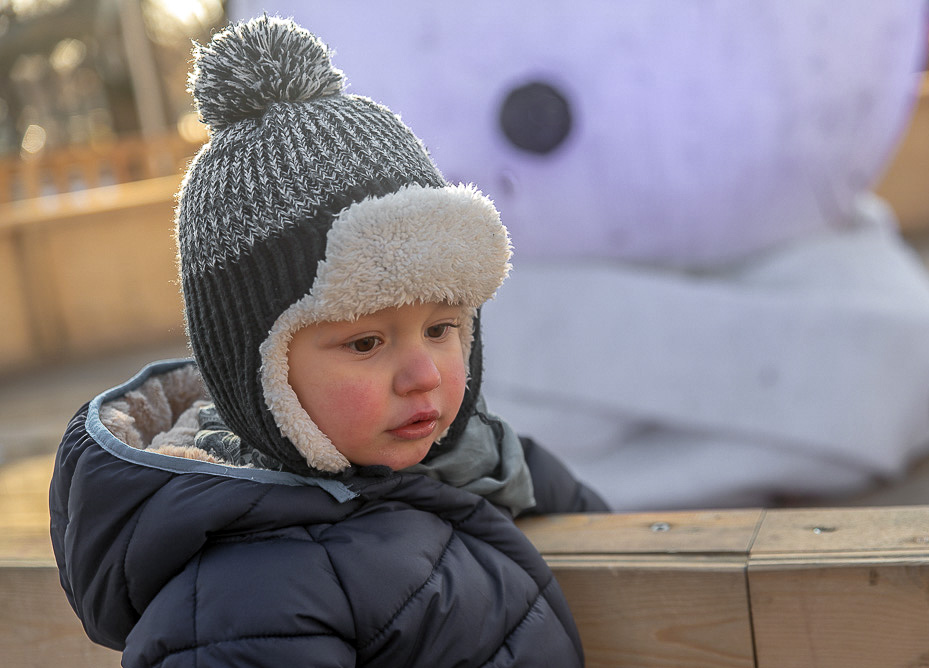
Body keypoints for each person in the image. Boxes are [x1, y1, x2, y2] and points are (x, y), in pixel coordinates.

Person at [49, 15, 607, 667]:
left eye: (441, 327)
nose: (423, 373)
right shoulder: (246, 598)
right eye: (367, 343)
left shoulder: (487, 464)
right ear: (258, 373)